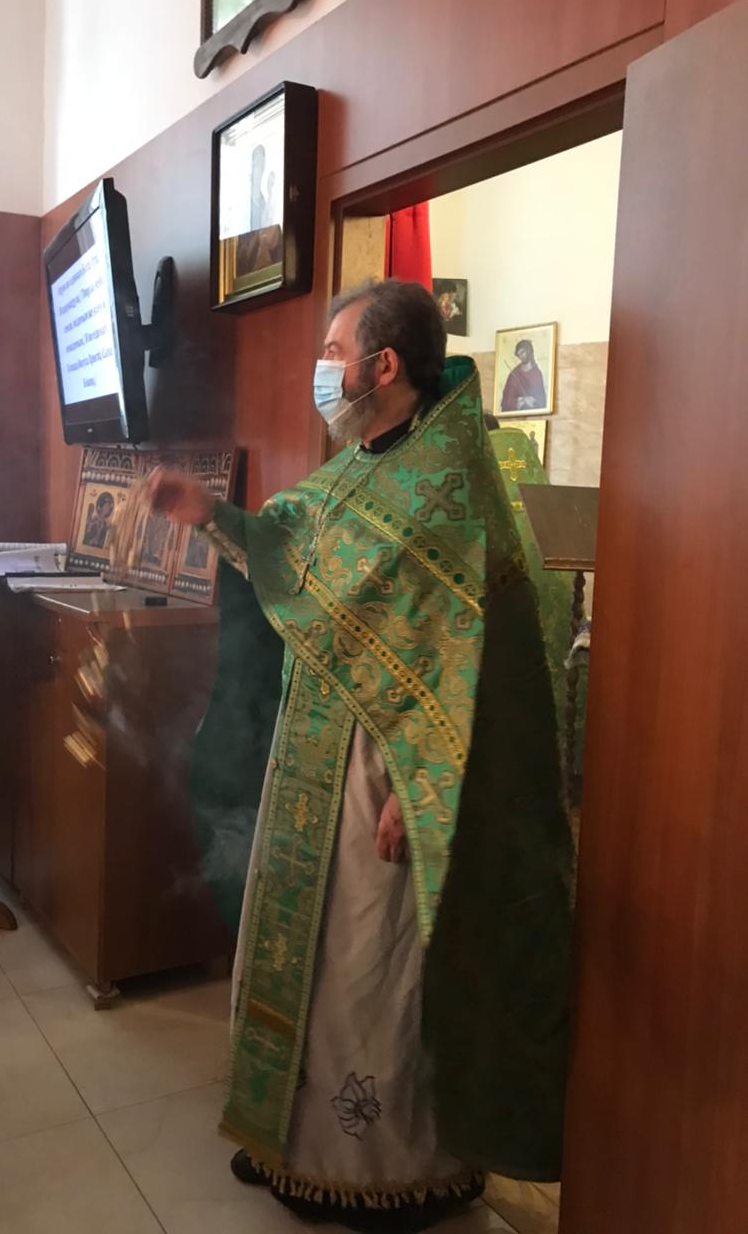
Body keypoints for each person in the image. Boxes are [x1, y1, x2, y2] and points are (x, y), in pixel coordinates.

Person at [148, 280, 573, 1232]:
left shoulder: (452, 488)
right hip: (314, 753)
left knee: (367, 964)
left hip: (394, 777)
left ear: (382, 365)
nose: (321, 367)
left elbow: (477, 668)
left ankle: (385, 1168)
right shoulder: (352, 471)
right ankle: (295, 1141)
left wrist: (422, 790)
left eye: (333, 350)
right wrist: (209, 512)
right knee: (302, 953)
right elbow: (287, 551)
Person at [499, 338, 546, 412]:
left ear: (529, 351)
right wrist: (520, 400)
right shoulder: (514, 374)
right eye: (519, 355)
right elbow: (506, 401)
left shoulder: (537, 374)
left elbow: (542, 401)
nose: (521, 356)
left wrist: (533, 400)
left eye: (523, 352)